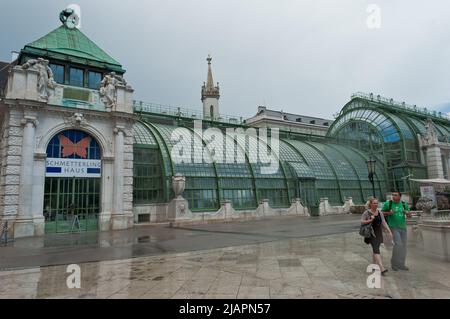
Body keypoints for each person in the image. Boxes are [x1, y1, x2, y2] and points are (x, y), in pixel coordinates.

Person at [361, 197, 392, 276]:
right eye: (374, 203)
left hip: (378, 233)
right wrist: (370, 220)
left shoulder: (379, 212)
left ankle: (374, 265)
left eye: (376, 203)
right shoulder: (367, 213)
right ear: (370, 204)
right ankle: (382, 268)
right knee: (376, 250)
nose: (376, 204)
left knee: (376, 249)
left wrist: (389, 231)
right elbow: (362, 221)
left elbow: (384, 223)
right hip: (371, 234)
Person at [382, 191, 412, 271]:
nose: (393, 196)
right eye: (392, 195)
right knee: (398, 244)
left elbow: (410, 216)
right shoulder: (388, 204)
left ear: (400, 196)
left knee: (404, 246)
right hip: (393, 227)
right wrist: (389, 213)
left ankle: (401, 264)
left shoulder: (404, 204)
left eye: (395, 195)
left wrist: (407, 213)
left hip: (403, 227)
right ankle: (394, 263)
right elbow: (381, 213)